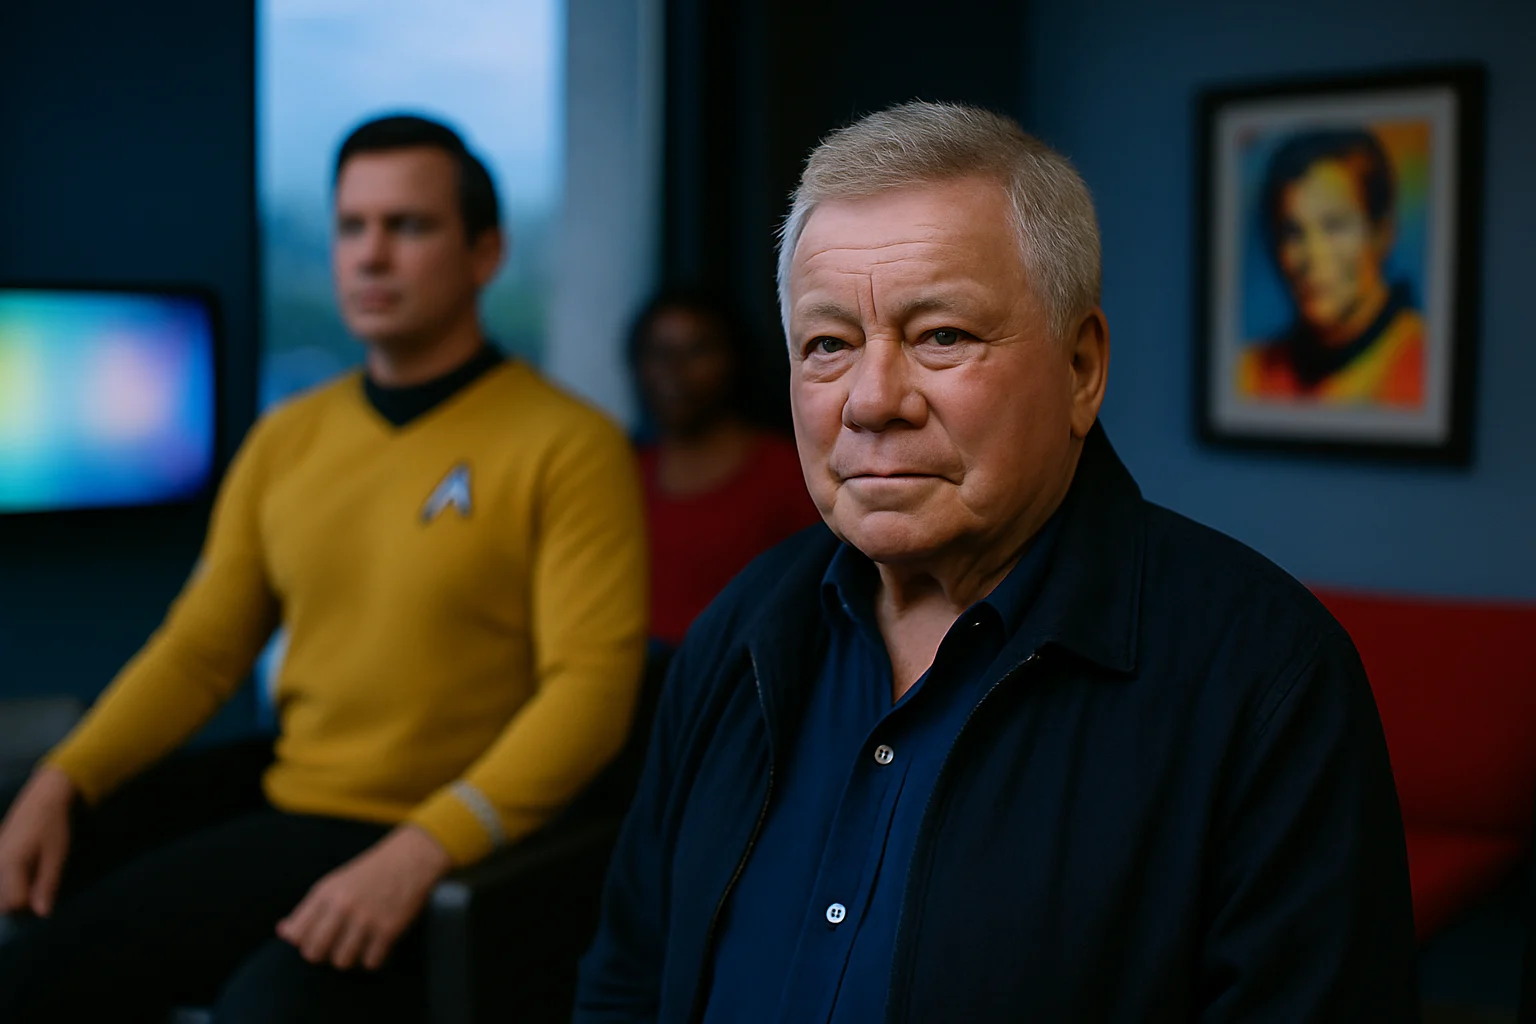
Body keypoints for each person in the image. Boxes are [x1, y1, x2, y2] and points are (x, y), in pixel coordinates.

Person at [575, 101, 1418, 1022]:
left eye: (941, 336)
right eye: (828, 345)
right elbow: (630, 975)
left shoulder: (1266, 682)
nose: (871, 401)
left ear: (1082, 368)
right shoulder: (740, 634)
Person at [0, 115, 647, 1022]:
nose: (371, 255)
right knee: (30, 970)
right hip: (294, 804)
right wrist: (63, 778)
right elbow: (200, 651)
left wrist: (427, 846)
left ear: (485, 251)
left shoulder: (569, 445)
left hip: (449, 839)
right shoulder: (288, 438)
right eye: (352, 227)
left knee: (265, 1011)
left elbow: (590, 693)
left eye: (409, 226)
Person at [627, 288, 820, 648]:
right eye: (659, 352)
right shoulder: (622, 470)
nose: (675, 371)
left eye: (697, 350)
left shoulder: (787, 472)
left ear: (735, 358)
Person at [1240, 127, 1425, 406]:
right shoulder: (1251, 374)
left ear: (1381, 234)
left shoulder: (1425, 365)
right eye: (1293, 233)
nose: (1313, 257)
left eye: (1334, 226)